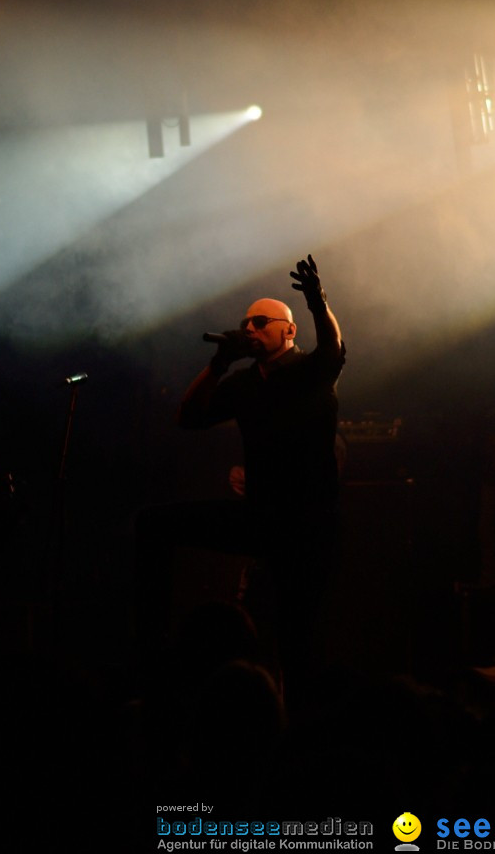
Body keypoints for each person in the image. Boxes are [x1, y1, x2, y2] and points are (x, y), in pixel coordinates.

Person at [135, 255, 346, 705]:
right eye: (245, 323)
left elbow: (333, 348)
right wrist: (217, 365)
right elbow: (189, 418)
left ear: (289, 331)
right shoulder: (245, 384)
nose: (250, 328)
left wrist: (315, 300)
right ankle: (149, 655)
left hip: (306, 528)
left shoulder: (312, 372)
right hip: (260, 518)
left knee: (296, 643)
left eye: (261, 321)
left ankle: (300, 734)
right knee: (152, 523)